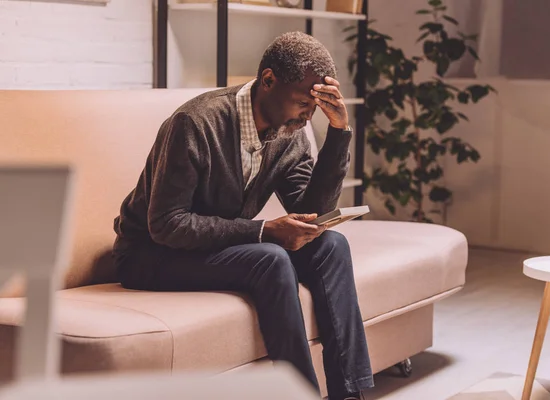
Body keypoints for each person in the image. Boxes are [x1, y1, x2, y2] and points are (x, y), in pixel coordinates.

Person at [112, 31, 373, 400]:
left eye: (315, 106)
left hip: (212, 247)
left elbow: (311, 214)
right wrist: (264, 231)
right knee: (270, 258)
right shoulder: (196, 123)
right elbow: (166, 225)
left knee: (332, 245)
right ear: (268, 81)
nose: (308, 113)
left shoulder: (290, 131)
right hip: (150, 255)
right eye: (303, 101)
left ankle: (349, 393)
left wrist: (337, 132)